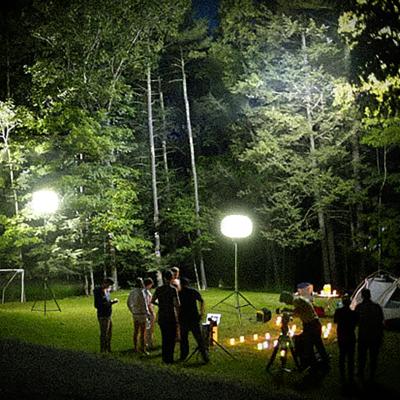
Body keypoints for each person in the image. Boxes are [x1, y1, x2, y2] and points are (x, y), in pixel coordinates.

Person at [280, 291, 330, 371]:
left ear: (287, 298)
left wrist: (288, 313)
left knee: (307, 345)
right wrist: (289, 311)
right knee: (318, 344)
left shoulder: (296, 301)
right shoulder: (298, 299)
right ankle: (323, 362)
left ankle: (313, 365)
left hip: (311, 325)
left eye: (285, 301)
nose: (286, 303)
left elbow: (297, 312)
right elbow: (300, 311)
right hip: (315, 323)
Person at [355, 288, 384, 382]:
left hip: (364, 335)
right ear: (370, 295)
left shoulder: (359, 307)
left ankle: (361, 372)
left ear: (362, 296)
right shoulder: (377, 307)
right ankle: (371, 374)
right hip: (375, 335)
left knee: (362, 355)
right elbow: (381, 321)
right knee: (373, 356)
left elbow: (356, 321)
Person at [152, 270, 180, 364]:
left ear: (164, 278)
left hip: (162, 315)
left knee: (165, 337)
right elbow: (177, 304)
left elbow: (152, 301)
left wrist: (159, 305)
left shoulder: (158, 289)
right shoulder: (173, 289)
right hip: (171, 315)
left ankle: (164, 358)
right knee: (171, 338)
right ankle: (170, 358)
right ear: (172, 278)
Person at [178, 277, 209, 363]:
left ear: (181, 284)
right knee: (199, 338)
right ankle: (205, 356)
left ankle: (183, 355)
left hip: (183, 318)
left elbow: (176, 305)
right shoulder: (193, 291)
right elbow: (201, 301)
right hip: (194, 317)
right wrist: (201, 312)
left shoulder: (179, 293)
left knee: (184, 338)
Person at [334, 294, 358, 385]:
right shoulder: (354, 313)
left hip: (342, 336)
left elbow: (335, 321)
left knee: (342, 355)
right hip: (350, 336)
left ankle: (342, 374)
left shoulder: (338, 311)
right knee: (351, 357)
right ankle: (350, 375)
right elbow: (356, 322)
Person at [93, 277, 118, 353]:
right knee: (104, 333)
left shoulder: (106, 291)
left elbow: (106, 301)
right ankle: (103, 349)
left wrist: (110, 302)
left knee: (109, 332)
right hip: (103, 315)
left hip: (108, 314)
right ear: (105, 283)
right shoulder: (98, 291)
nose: (109, 287)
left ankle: (108, 348)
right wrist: (111, 302)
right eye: (108, 285)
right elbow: (98, 304)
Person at [127, 277, 149, 354]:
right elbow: (144, 303)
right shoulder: (141, 291)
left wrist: (132, 310)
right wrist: (147, 312)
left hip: (135, 313)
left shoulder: (132, 292)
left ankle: (135, 347)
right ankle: (143, 348)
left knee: (136, 331)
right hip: (142, 314)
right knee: (143, 332)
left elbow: (128, 302)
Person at [143, 277, 155, 350]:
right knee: (149, 329)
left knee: (148, 329)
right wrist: (152, 312)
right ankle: (148, 344)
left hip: (147, 312)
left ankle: (148, 343)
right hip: (149, 312)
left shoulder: (144, 291)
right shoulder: (146, 292)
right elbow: (148, 303)